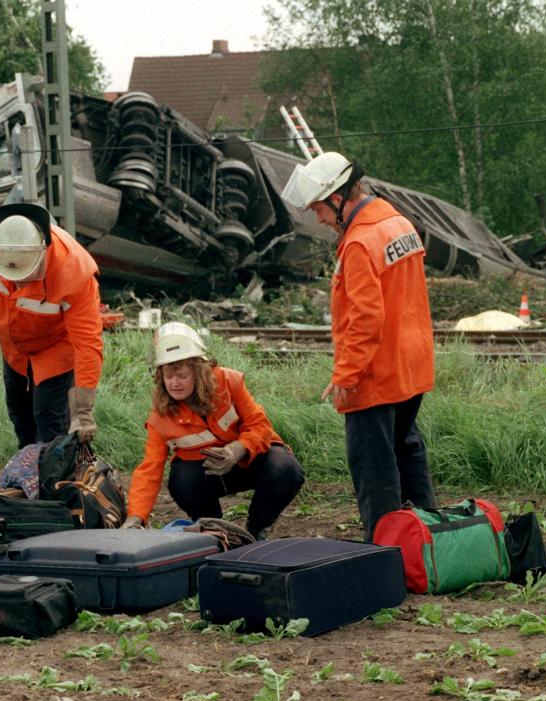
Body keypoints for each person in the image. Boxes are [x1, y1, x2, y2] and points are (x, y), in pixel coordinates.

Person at [281, 151, 436, 541]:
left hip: (375, 376)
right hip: (410, 368)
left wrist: (346, 374)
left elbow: (366, 318)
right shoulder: (398, 224)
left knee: (374, 468)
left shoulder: (359, 243)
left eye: (318, 209)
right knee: (407, 451)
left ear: (339, 198)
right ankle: (430, 538)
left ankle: (385, 549)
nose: (317, 219)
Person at [121, 322, 304, 539]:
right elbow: (149, 469)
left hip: (247, 462)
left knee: (285, 468)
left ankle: (255, 529)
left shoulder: (228, 382)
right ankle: (214, 532)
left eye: (182, 375)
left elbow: (260, 426)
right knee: (182, 480)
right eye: (168, 377)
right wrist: (135, 518)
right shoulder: (160, 417)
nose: (174, 384)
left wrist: (238, 449)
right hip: (205, 476)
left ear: (198, 371)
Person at [0, 203, 103, 448]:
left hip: (55, 349)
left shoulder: (75, 270)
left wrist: (83, 413)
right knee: (20, 418)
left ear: (41, 253)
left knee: (49, 422)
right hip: (12, 349)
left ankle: (56, 480)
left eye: (25, 274)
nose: (18, 283)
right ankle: (28, 475)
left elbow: (88, 344)